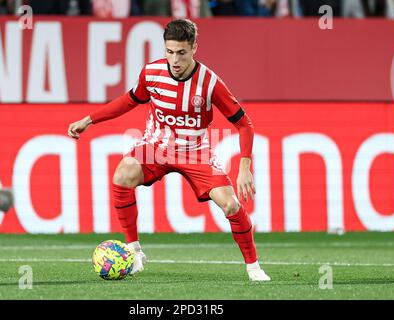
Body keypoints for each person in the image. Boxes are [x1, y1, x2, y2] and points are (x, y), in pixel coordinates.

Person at [68, 19, 271, 282]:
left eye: (182, 53)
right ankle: (134, 250)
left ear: (194, 48)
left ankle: (253, 266)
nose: (175, 59)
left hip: (196, 151)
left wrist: (245, 166)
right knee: (123, 173)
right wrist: (88, 120)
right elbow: (129, 101)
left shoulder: (210, 83)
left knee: (231, 204)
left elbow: (244, 124)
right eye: (170, 51)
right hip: (157, 146)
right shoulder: (151, 73)